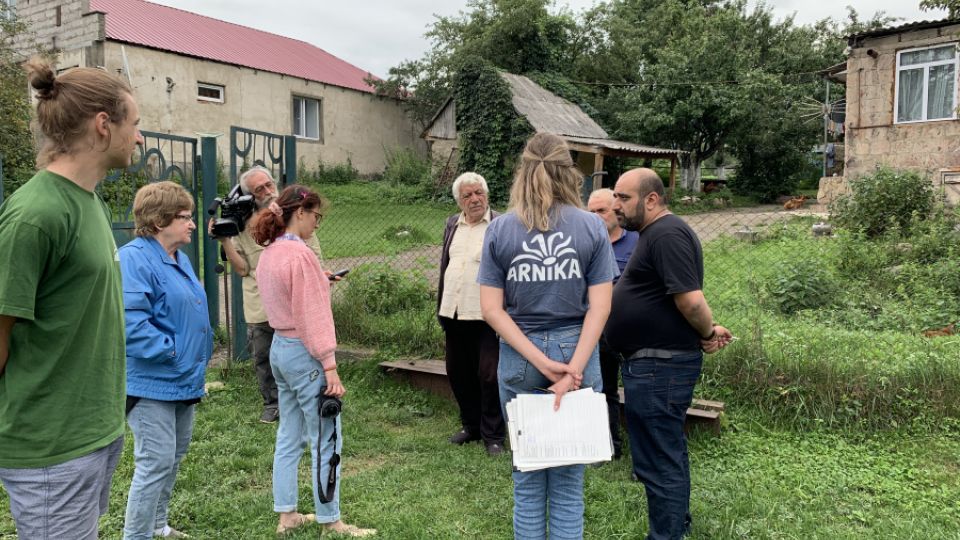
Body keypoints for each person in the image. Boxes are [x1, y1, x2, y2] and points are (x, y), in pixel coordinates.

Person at [0, 59, 142, 539]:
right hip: (50, 446)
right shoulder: (35, 214)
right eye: (135, 123)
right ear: (104, 125)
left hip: (93, 432)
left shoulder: (89, 199)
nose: (139, 138)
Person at [478, 132, 618, 539]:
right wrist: (573, 368)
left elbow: (491, 310)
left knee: (526, 476)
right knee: (569, 482)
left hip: (519, 357)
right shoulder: (592, 226)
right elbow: (601, 307)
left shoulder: (500, 229)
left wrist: (538, 360)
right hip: (580, 353)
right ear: (569, 171)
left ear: (523, 170)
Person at [606, 168, 732, 540]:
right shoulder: (654, 234)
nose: (616, 206)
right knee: (661, 455)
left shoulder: (666, 233)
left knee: (660, 460)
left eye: (623, 198)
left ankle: (666, 535)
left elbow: (691, 301)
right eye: (615, 197)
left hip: (660, 368)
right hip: (652, 365)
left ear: (651, 199)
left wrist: (707, 332)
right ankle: (676, 525)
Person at [253, 185, 375, 537]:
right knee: (327, 437)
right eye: (316, 216)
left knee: (289, 434)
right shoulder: (302, 255)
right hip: (305, 354)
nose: (317, 224)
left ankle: (287, 514)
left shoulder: (271, 253)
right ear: (301, 212)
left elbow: (288, 294)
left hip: (280, 348)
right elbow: (312, 314)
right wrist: (330, 366)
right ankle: (331, 519)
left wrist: (320, 281)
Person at [120, 181, 213, 540]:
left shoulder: (180, 259)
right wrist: (173, 351)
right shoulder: (134, 258)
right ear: (160, 221)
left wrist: (190, 360)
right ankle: (136, 536)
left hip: (182, 379)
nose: (192, 224)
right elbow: (131, 322)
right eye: (185, 217)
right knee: (154, 462)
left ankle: (158, 526)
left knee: (171, 459)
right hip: (151, 383)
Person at [209, 166, 325, 424]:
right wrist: (224, 240)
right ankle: (272, 404)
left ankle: (310, 397)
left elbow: (314, 257)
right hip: (260, 305)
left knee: (306, 352)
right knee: (263, 357)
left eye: (268, 184)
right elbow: (241, 269)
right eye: (258, 189)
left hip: (295, 304)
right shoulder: (241, 223)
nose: (267, 191)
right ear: (248, 194)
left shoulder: (297, 214)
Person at [437, 172, 507, 456]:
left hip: (487, 315)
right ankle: (471, 426)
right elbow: (446, 263)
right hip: (454, 312)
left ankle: (493, 436)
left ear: (486, 194)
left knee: (489, 376)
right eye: (467, 195)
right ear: (459, 201)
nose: (474, 199)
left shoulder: (501, 225)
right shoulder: (452, 224)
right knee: (458, 373)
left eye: (478, 192)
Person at [586, 188, 639, 460]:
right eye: (591, 212)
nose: (596, 217)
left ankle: (641, 451)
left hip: (631, 330)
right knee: (602, 388)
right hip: (597, 330)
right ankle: (609, 446)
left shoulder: (638, 241)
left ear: (616, 210)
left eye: (602, 211)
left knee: (636, 389)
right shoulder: (585, 243)